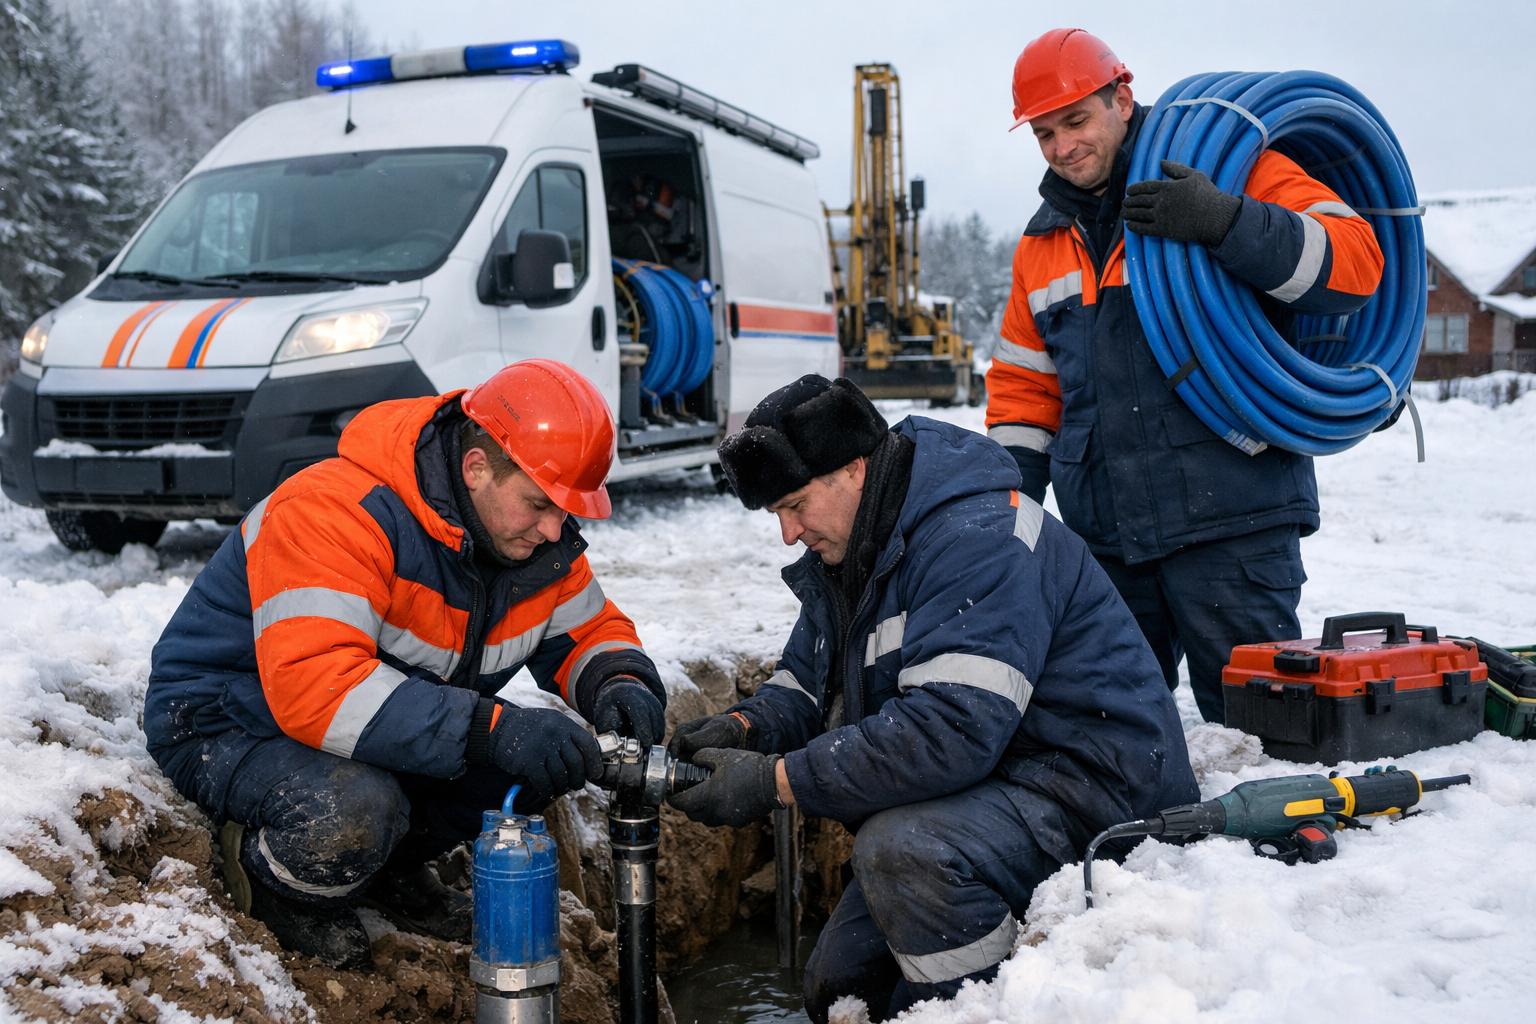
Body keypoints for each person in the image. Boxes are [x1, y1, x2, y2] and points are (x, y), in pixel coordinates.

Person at [665, 374, 1198, 1022]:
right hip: (998, 785)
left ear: (854, 468)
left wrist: (775, 781)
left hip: (1095, 797)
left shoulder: (977, 536)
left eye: (795, 505)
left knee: (900, 849)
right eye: (777, 513)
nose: (788, 532)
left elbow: (951, 732)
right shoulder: (857, 547)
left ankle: (996, 1005)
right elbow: (807, 681)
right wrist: (744, 727)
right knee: (841, 988)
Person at [144, 359, 665, 968]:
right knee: (356, 809)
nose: (554, 530)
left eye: (566, 512)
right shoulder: (335, 510)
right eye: (539, 504)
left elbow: (589, 631)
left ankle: (388, 872)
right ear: (476, 468)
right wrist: (490, 728)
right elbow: (320, 689)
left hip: (371, 720)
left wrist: (620, 681)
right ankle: (276, 882)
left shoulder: (526, 541)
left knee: (539, 762)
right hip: (229, 720)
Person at [987, 28, 1385, 723]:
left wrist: (1226, 222)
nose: (1062, 146)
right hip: (1108, 541)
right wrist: (1011, 509)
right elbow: (1026, 389)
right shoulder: (1042, 242)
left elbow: (1356, 264)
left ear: (1121, 98)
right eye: (1044, 133)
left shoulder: (1224, 170)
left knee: (1259, 734)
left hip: (1232, 524)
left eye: (1076, 121)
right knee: (1108, 731)